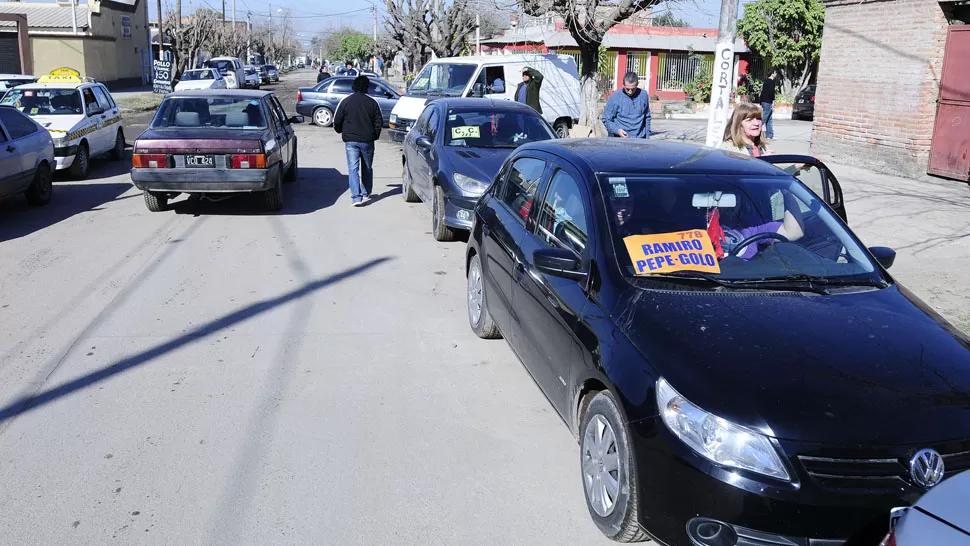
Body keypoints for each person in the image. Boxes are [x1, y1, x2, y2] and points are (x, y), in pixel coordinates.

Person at [333, 75, 384, 206]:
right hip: (367, 140)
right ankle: (366, 192)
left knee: (353, 169)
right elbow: (379, 122)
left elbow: (337, 120)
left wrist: (340, 131)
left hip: (351, 140)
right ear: (367, 87)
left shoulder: (346, 101)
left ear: (354, 86)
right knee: (367, 167)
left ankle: (356, 197)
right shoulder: (372, 103)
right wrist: (375, 135)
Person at [602, 72, 652, 139]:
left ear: (637, 84)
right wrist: (617, 130)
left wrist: (647, 136)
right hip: (620, 140)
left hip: (640, 139)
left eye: (633, 89)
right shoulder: (615, 97)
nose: (630, 92)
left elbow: (647, 116)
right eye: (627, 89)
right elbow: (606, 119)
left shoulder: (643, 95)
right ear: (623, 84)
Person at [759, 70, 778, 139]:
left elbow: (762, 92)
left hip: (764, 101)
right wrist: (773, 102)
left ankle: (770, 135)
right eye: (775, 73)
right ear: (772, 74)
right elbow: (771, 93)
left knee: (769, 119)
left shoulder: (766, 81)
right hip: (768, 102)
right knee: (764, 118)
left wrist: (760, 101)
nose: (776, 74)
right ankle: (756, 130)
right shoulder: (771, 82)